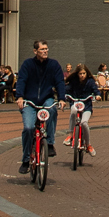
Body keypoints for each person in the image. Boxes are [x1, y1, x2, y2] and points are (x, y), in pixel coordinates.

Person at [17, 40, 65, 174]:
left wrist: (61, 98)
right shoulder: (28, 64)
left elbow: (60, 82)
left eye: (46, 49)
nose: (45, 51)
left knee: (52, 109)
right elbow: (21, 80)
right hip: (29, 101)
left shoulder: (53, 65)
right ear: (35, 51)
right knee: (28, 128)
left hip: (46, 99)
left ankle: (49, 143)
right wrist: (20, 97)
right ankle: (26, 160)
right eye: (42, 49)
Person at [64, 64, 97, 156]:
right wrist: (64, 96)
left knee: (84, 123)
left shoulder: (90, 82)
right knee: (73, 111)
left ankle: (88, 144)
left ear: (87, 73)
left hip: (86, 106)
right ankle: (70, 135)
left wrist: (97, 95)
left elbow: (95, 90)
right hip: (75, 103)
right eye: (80, 74)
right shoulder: (73, 82)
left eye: (84, 73)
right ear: (77, 74)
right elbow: (66, 89)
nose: (82, 75)